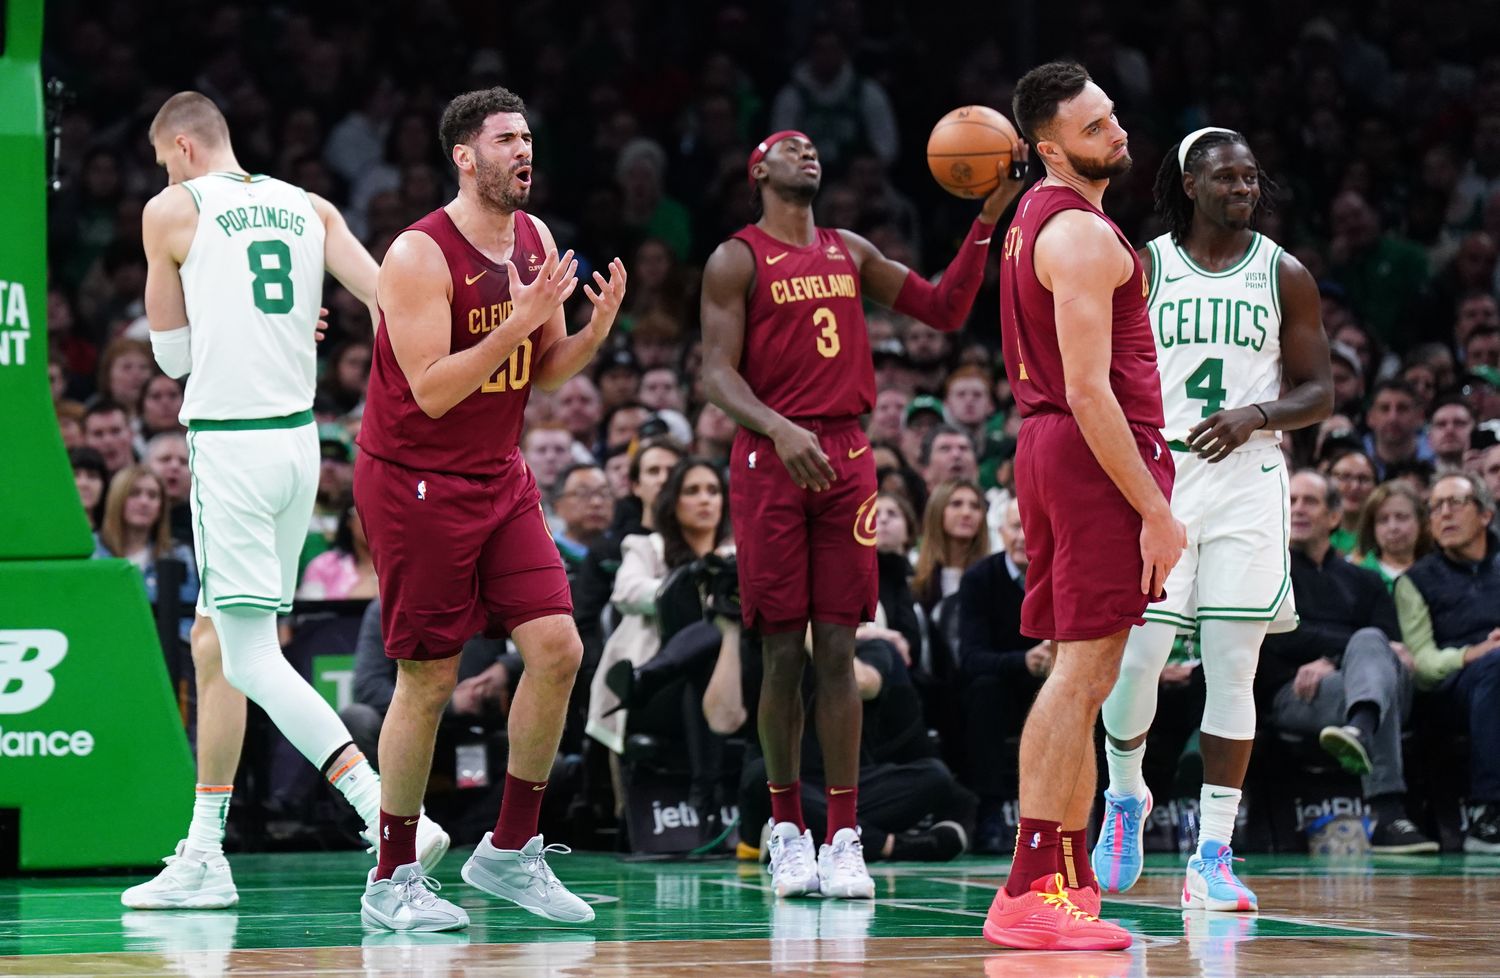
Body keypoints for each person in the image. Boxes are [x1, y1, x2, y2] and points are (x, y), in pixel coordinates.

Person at [125, 92, 446, 913]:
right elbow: (388, 300)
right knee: (215, 645)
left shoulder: (172, 209)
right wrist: (278, 330)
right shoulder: (309, 206)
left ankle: (386, 815)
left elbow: (169, 360)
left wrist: (232, 326)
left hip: (230, 448)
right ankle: (205, 852)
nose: (164, 173)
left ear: (185, 149)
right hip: (300, 446)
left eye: (165, 160)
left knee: (249, 655)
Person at [700, 123, 1026, 901]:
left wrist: (989, 218)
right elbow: (714, 373)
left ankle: (844, 834)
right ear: (759, 168)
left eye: (816, 145)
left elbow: (945, 309)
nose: (809, 152)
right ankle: (786, 829)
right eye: (790, 146)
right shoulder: (735, 257)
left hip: (845, 455)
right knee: (783, 653)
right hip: (768, 454)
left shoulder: (848, 249)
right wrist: (777, 429)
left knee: (840, 649)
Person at [354, 86, 626, 931]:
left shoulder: (535, 237)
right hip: (416, 479)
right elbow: (433, 392)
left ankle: (510, 849)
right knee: (429, 677)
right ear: (465, 157)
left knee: (558, 648)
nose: (524, 151)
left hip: (497, 473)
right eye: (506, 138)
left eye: (529, 137)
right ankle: (392, 875)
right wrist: (523, 321)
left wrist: (593, 330)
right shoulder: (417, 255)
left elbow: (543, 372)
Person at [1091, 127, 1333, 910]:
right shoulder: (1146, 265)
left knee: (1234, 668)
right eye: (1227, 178)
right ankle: (1126, 793)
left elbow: (1319, 390)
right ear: (1189, 185)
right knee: (1136, 664)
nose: (1244, 189)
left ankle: (1213, 855)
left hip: (1247, 482)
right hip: (1161, 479)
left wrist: (1256, 412)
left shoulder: (1283, 272)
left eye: (1252, 178)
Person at [983, 62, 1183, 951]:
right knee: (1080, 674)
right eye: (1096, 127)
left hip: (1050, 450)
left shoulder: (1032, 221)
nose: (1118, 132)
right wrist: (1155, 510)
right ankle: (1029, 886)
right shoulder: (1085, 238)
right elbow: (1092, 392)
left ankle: (1062, 875)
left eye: (1113, 116)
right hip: (1090, 456)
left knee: (1086, 667)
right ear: (1049, 147)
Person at [1258, 472, 1435, 853]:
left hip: (1360, 680)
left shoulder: (1365, 580)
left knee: (1371, 651)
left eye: (1311, 501)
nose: (1299, 509)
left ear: (1335, 517)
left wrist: (1332, 658)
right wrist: (1345, 652)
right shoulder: (1269, 575)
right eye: (1292, 501)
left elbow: (1389, 647)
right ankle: (1388, 814)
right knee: (1370, 658)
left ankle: (1359, 727)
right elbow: (1280, 638)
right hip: (1298, 693)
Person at [1394, 473, 1500, 851]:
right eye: (1435, 507)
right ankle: (1488, 813)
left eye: (1455, 503)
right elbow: (1421, 661)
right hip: (1448, 691)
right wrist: (1471, 654)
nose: (1444, 514)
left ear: (1486, 514)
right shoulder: (1416, 580)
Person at [1351, 482, 1434, 588]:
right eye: (1383, 520)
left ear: (1420, 522)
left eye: (1401, 517)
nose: (1393, 527)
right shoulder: (1356, 576)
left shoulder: (1437, 574)